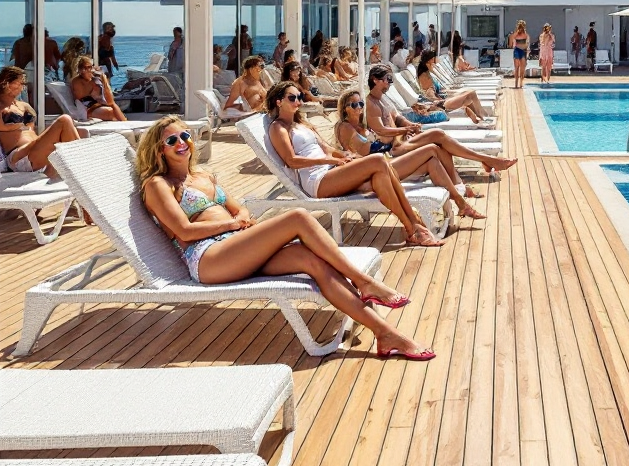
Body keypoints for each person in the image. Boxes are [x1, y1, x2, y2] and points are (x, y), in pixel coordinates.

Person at [138, 115, 433, 360]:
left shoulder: (204, 176)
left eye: (185, 136)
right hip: (207, 258)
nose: (182, 143)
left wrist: (239, 219)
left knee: (311, 259)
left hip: (235, 246)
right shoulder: (158, 184)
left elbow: (238, 208)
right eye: (172, 140)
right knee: (298, 218)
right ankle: (364, 282)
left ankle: (384, 332)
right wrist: (232, 224)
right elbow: (185, 232)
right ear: (159, 150)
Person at [266, 81, 442, 248]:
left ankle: (411, 228)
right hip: (317, 181)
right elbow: (291, 161)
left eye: (299, 97)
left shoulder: (302, 124)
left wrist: (344, 155)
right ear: (279, 101)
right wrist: (330, 160)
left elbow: (326, 148)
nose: (298, 101)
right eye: (292, 98)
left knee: (379, 177)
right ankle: (414, 223)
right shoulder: (278, 128)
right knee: (379, 160)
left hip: (331, 172)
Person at [334, 89, 484, 219]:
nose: (359, 108)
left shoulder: (361, 125)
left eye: (361, 104)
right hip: (372, 172)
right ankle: (461, 193)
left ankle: (460, 201)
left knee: (432, 161)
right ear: (345, 108)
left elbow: (380, 142)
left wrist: (394, 137)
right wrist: (391, 138)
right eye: (354, 105)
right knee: (431, 149)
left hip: (383, 163)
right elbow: (367, 151)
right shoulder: (345, 127)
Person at [364, 65, 516, 176]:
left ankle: (479, 165)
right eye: (388, 79)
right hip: (393, 149)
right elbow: (380, 130)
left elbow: (398, 118)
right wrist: (406, 130)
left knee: (439, 136)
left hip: (403, 140)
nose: (390, 83)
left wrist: (410, 125)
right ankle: (484, 161)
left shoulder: (384, 99)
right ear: (375, 80)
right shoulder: (371, 104)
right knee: (437, 139)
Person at [0, 66, 82, 175]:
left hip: (34, 150)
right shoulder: (1, 106)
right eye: (19, 83)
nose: (22, 86)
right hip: (19, 156)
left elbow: (32, 130)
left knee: (69, 129)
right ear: (7, 83)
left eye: (23, 83)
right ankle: (82, 164)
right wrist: (14, 126)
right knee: (64, 120)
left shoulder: (23, 105)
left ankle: (78, 165)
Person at [415, 50, 490, 124]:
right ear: (431, 60)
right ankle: (483, 116)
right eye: (435, 57)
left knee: (469, 96)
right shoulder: (424, 76)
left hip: (443, 99)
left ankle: (481, 116)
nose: (437, 59)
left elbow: (436, 90)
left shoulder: (429, 73)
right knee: (471, 93)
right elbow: (429, 94)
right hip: (441, 104)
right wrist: (439, 100)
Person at [71, 56, 128, 120]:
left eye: (92, 66)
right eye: (89, 67)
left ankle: (125, 123)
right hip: (88, 110)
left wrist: (104, 80)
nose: (91, 69)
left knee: (114, 108)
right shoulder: (77, 82)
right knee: (111, 112)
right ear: (81, 70)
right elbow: (82, 98)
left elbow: (110, 101)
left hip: (99, 106)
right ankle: (125, 123)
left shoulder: (94, 80)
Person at [508, 20, 530, 89]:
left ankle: (519, 83)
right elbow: (510, 45)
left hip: (522, 51)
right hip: (518, 50)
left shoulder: (525, 35)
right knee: (518, 68)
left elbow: (527, 44)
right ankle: (517, 83)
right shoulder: (516, 34)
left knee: (521, 68)